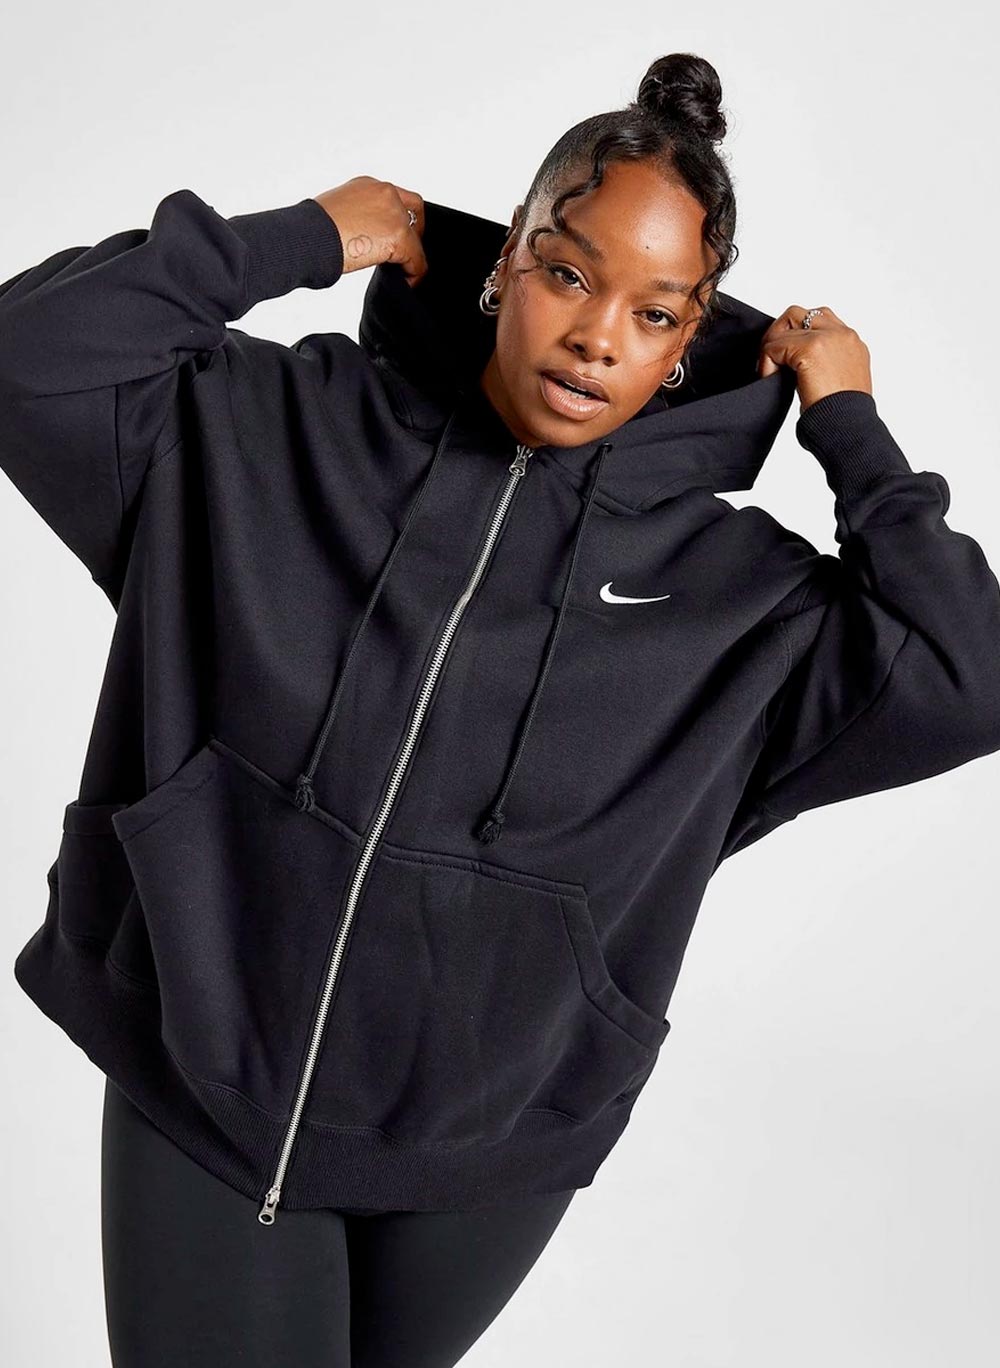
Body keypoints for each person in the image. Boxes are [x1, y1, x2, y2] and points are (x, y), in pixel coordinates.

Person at [3, 49, 999, 1368]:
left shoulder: (737, 604)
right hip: (209, 1060)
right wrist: (304, 236)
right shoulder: (277, 427)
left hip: (486, 1151)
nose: (599, 336)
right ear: (506, 262)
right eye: (570, 273)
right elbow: (29, 352)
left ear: (690, 341)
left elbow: (970, 672)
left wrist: (852, 425)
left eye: (656, 313)